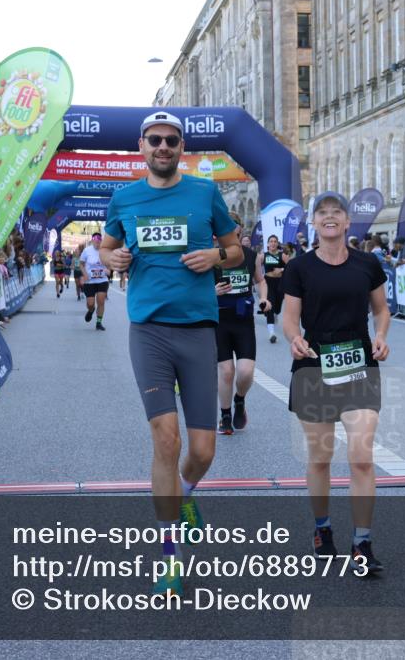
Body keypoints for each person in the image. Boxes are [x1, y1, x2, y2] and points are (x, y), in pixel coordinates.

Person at [99, 110, 243, 596]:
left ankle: (185, 495)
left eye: (172, 140)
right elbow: (107, 248)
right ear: (141, 146)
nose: (163, 147)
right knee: (166, 440)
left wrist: (215, 257)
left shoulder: (205, 194)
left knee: (202, 451)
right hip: (149, 332)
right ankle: (168, 553)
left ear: (183, 148)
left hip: (199, 330)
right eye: (155, 140)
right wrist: (112, 258)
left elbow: (236, 249)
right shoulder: (124, 197)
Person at [282, 190, 390, 573]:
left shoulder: (367, 264)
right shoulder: (299, 268)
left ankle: (362, 542)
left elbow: (381, 310)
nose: (329, 217)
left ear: (347, 222)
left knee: (361, 457)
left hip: (359, 365)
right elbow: (290, 317)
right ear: (314, 224)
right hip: (314, 366)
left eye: (337, 212)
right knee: (321, 458)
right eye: (322, 213)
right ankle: (322, 528)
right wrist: (294, 337)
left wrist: (380, 336)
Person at [215, 217, 270, 435]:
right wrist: (212, 292)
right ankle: (225, 416)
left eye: (235, 233)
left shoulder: (251, 256)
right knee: (227, 371)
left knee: (245, 372)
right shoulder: (212, 256)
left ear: (240, 232)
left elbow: (260, 281)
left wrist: (265, 298)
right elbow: (196, 288)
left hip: (243, 319)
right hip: (219, 319)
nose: (232, 237)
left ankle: (240, 400)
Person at [262, 234, 290, 343]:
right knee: (270, 306)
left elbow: (292, 267)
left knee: (277, 308)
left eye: (275, 241)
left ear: (277, 244)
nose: (273, 243)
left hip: (279, 283)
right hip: (268, 282)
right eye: (271, 241)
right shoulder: (262, 256)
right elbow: (255, 268)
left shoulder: (282, 256)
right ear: (268, 244)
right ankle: (271, 333)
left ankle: (275, 314)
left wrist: (282, 270)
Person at [80, 233, 108, 330]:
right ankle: (91, 311)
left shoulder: (105, 251)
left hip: (102, 280)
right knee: (91, 304)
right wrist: (85, 275)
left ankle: (99, 323)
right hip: (90, 281)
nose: (97, 243)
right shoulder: (87, 250)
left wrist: (109, 269)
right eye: (96, 241)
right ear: (92, 241)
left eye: (99, 241)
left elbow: (110, 263)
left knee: (101, 302)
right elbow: (81, 264)